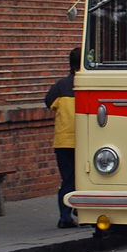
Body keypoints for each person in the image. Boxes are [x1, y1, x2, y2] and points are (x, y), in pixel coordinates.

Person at [44, 47, 80, 228]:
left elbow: (49, 102)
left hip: (63, 141)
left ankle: (65, 215)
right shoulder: (87, 84)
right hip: (83, 142)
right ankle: (77, 210)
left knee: (68, 178)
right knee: (83, 179)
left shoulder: (60, 86)